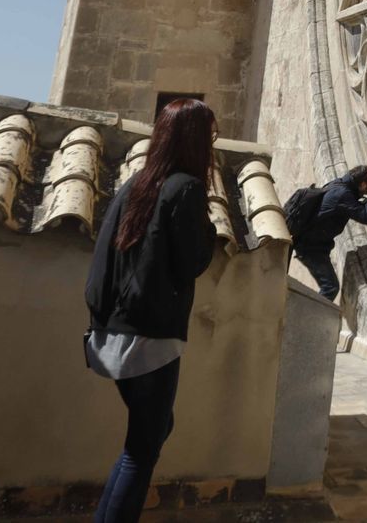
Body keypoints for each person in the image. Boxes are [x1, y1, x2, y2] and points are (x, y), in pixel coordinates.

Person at [83, 98, 219, 523]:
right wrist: (210, 229)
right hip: (152, 340)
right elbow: (191, 261)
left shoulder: (137, 184)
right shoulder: (187, 188)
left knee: (148, 438)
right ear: (198, 140)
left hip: (114, 334)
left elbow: (107, 254)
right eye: (211, 136)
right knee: (141, 452)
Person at [286, 164, 367, 301]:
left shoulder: (340, 184)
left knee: (330, 286)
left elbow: (355, 207)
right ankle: (308, 317)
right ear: (363, 184)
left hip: (312, 242)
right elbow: (365, 216)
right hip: (310, 249)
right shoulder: (343, 195)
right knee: (331, 287)